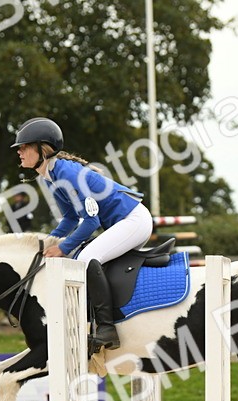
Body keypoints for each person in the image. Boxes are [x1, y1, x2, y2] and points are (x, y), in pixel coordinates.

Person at [12, 116, 153, 352]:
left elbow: (91, 222)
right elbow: (69, 219)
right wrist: (48, 242)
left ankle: (107, 328)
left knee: (85, 259)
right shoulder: (49, 177)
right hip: (123, 222)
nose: (19, 152)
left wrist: (63, 248)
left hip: (134, 220)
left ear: (42, 148)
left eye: (24, 147)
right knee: (78, 254)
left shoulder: (67, 174)